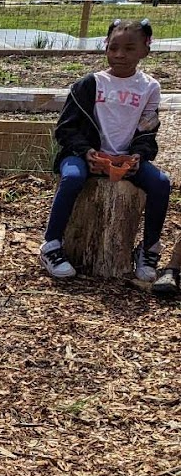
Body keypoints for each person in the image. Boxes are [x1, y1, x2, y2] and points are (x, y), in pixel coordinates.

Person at [38, 20, 169, 284]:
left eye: (129, 48)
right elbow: (65, 129)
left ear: (145, 50)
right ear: (105, 48)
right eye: (113, 48)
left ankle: (149, 249)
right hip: (83, 155)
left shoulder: (150, 88)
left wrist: (137, 157)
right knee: (73, 178)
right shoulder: (90, 84)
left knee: (161, 183)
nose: (120, 55)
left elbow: (147, 131)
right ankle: (51, 244)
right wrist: (86, 152)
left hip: (124, 158)